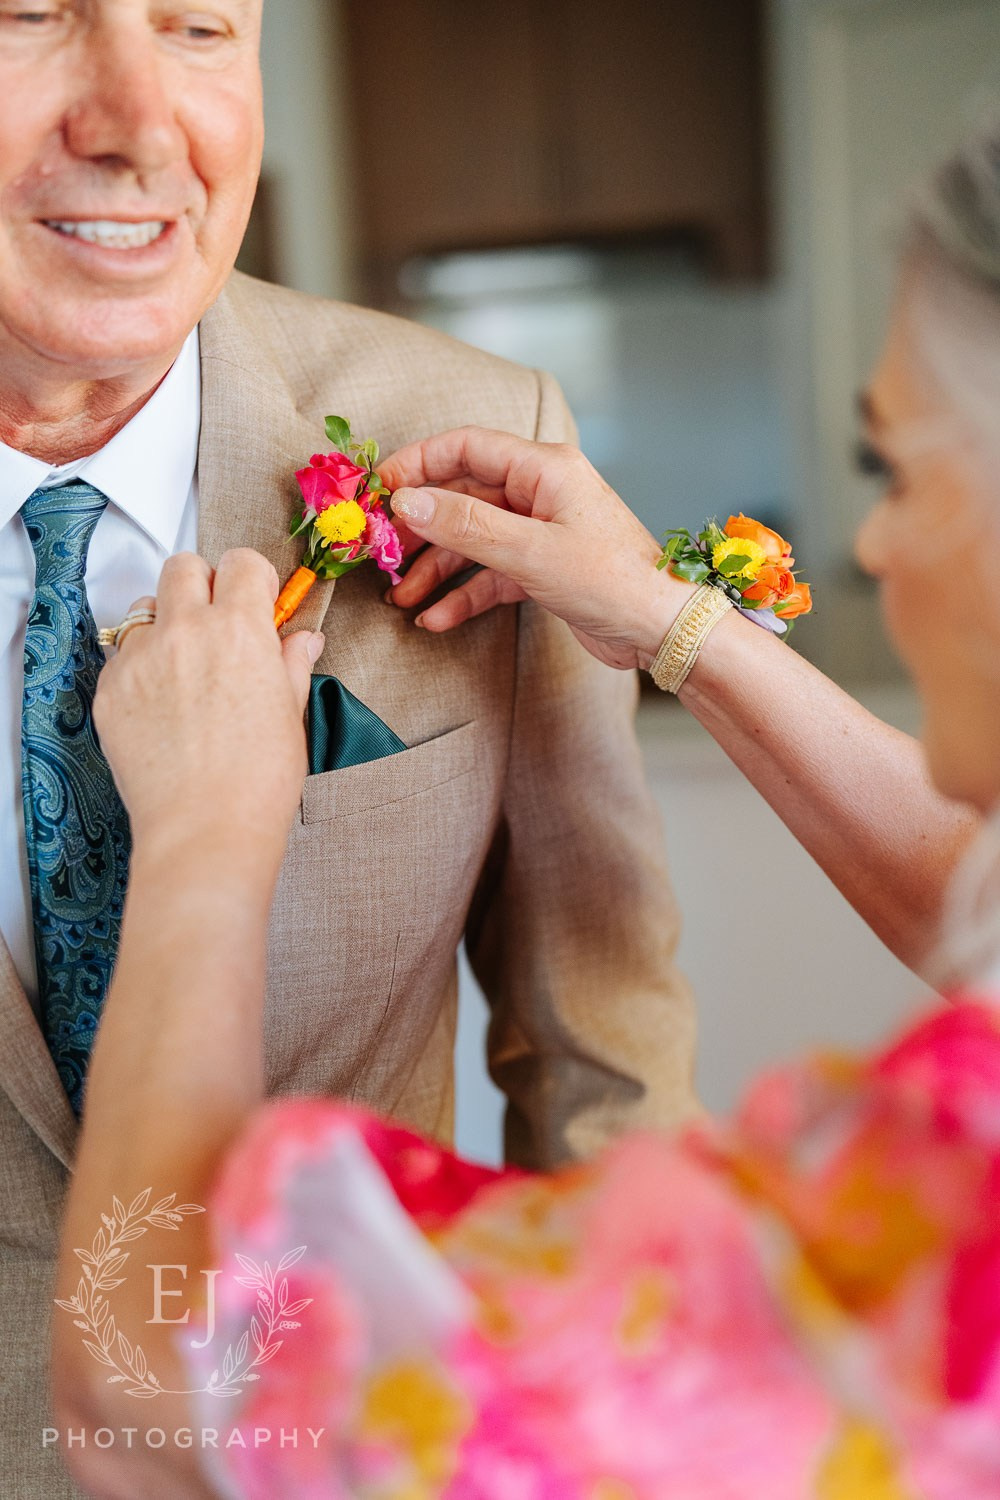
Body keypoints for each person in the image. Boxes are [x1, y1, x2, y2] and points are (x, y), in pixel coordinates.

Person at [51, 123, 1000, 1496]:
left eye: (898, 471)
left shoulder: (936, 1198)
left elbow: (156, 1387)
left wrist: (203, 837)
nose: (870, 543)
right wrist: (679, 625)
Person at [3, 4, 701, 1492]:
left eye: (198, 23)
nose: (138, 124)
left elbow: (605, 1050)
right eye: (23, 16)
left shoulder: (479, 436)